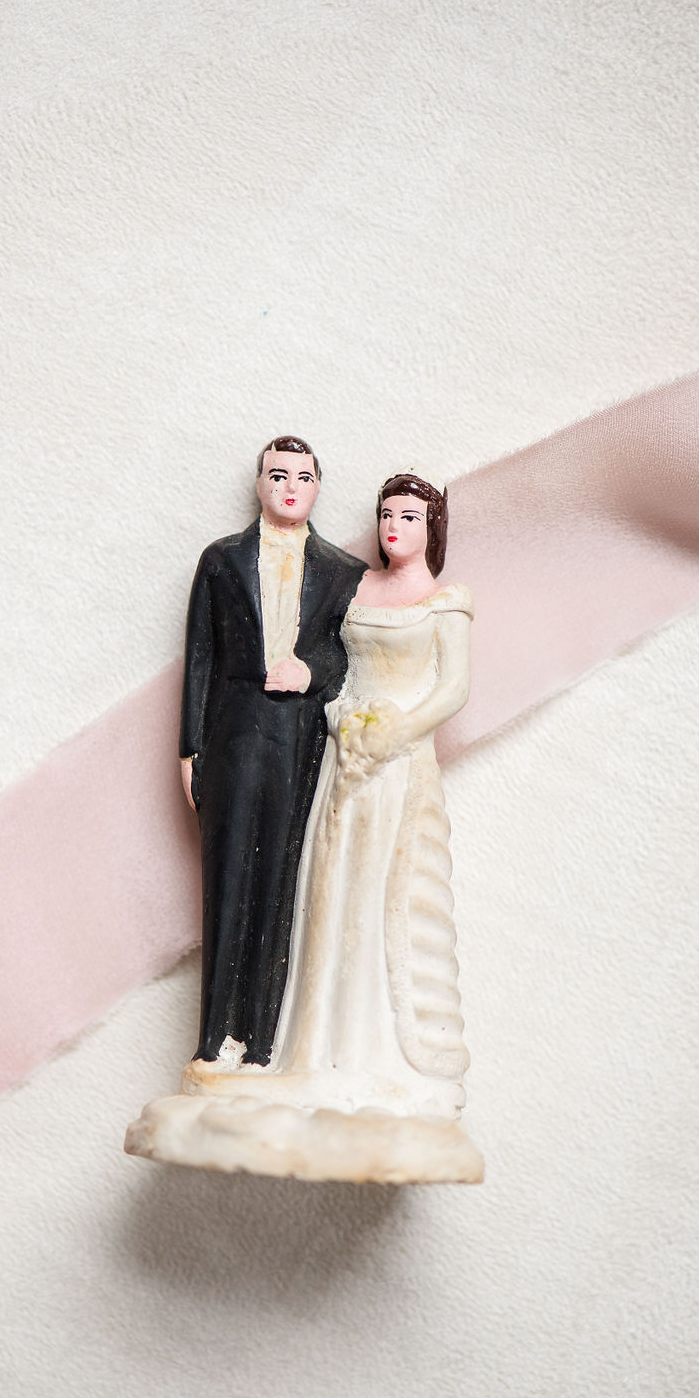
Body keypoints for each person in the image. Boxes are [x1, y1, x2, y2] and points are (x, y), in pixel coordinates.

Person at [267, 472, 474, 1119]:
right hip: (347, 758)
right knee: (331, 888)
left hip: (399, 766)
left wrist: (394, 733)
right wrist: (344, 721)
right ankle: (315, 1048)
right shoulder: (358, 590)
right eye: (388, 514)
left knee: (384, 892)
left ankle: (377, 1052)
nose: (394, 527)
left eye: (409, 517)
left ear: (431, 528)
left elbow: (452, 689)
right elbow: (342, 670)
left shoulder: (446, 603)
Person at [178, 437, 366, 1069]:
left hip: (299, 740)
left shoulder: (343, 572)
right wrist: (189, 747)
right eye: (278, 475)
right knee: (226, 876)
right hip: (232, 735)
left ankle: (261, 1041)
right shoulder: (221, 560)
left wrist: (311, 671)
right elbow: (199, 655)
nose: (290, 487)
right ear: (259, 483)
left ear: (318, 487)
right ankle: (212, 1038)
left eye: (303, 477)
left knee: (282, 880)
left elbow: (350, 658)